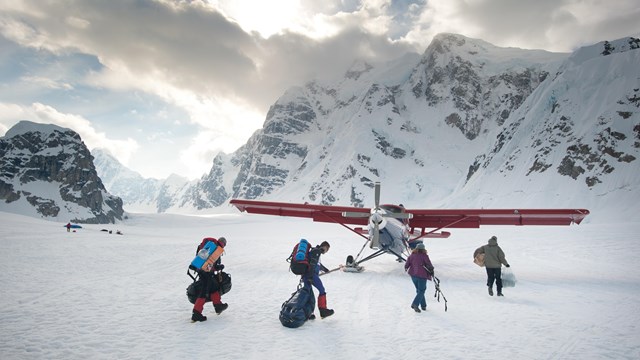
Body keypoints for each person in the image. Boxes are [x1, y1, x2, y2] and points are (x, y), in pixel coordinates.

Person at [191, 237, 229, 322]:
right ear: (224, 244)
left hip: (201, 269)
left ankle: (218, 306)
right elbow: (210, 265)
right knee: (204, 291)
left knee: (214, 287)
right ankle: (196, 313)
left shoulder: (210, 246)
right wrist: (218, 267)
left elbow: (208, 262)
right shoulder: (216, 249)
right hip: (205, 272)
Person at [302, 241, 334, 319]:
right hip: (311, 275)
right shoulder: (316, 252)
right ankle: (323, 311)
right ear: (325, 247)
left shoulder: (316, 252)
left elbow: (317, 264)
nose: (326, 252)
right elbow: (313, 264)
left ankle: (308, 313)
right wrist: (310, 276)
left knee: (308, 293)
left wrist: (325, 269)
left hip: (307, 275)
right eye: (327, 250)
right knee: (322, 290)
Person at [404, 243, 434, 313]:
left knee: (419, 290)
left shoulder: (412, 256)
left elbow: (406, 265)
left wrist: (406, 268)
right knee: (421, 290)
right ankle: (415, 304)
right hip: (422, 276)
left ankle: (423, 306)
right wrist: (431, 270)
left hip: (413, 275)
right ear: (423, 249)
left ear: (416, 249)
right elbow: (429, 264)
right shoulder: (424, 256)